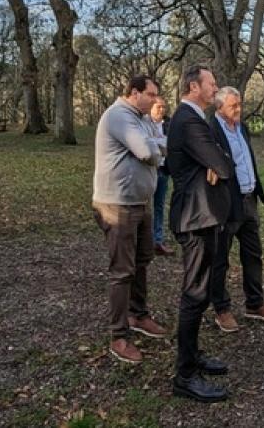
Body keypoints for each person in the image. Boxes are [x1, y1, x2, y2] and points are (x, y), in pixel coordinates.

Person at [167, 64, 235, 403]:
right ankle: (185, 375)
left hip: (203, 215)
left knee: (202, 290)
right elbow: (224, 164)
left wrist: (217, 161)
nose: (216, 87)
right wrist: (216, 163)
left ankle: (193, 359)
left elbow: (221, 161)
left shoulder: (195, 119)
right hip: (194, 217)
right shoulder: (188, 120)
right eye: (212, 83)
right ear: (194, 86)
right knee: (194, 294)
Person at [92, 74, 170, 365]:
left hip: (139, 202)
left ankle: (138, 315)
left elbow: (161, 144)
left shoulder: (140, 117)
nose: (154, 101)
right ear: (134, 92)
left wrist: (155, 146)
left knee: (142, 260)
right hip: (117, 205)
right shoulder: (119, 116)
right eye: (150, 95)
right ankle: (119, 336)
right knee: (122, 270)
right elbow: (146, 151)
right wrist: (154, 147)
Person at [208, 86, 264, 333]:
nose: (239, 109)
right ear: (219, 108)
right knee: (220, 258)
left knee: (253, 254)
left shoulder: (242, 127)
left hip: (249, 199)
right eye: (233, 106)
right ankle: (221, 309)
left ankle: (255, 303)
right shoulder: (210, 130)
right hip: (227, 203)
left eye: (239, 104)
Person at [150, 96, 174, 256]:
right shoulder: (143, 124)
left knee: (159, 205)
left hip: (164, 170)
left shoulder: (169, 125)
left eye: (164, 107)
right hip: (147, 171)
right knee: (144, 206)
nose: (161, 110)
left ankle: (157, 241)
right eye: (158, 106)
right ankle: (143, 240)